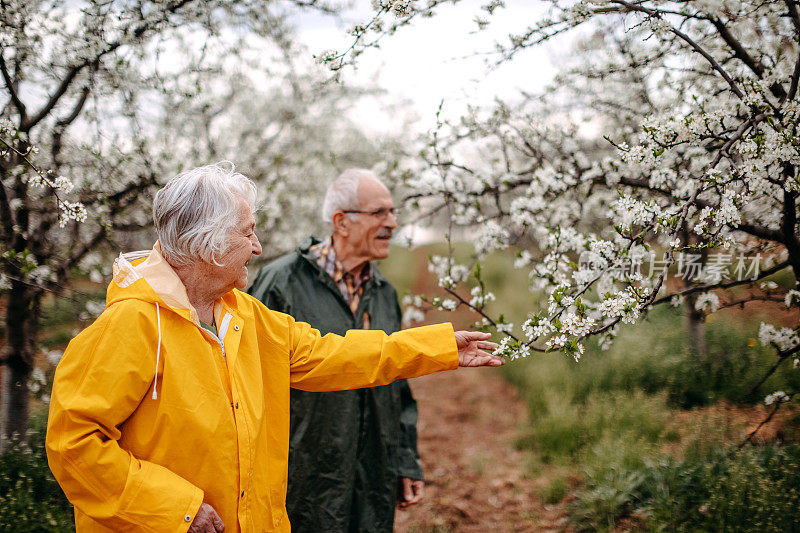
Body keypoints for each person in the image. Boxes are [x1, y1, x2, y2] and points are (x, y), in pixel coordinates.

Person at [45, 162, 503, 533]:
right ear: (209, 244)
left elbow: (333, 354)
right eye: (247, 233)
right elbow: (73, 444)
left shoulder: (243, 314)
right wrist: (175, 510)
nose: (259, 247)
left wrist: (439, 347)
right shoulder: (130, 325)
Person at [248, 169, 421, 532]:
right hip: (303, 475)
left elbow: (397, 384)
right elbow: (248, 381)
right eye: (379, 213)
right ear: (341, 222)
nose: (392, 222)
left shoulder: (385, 292)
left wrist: (405, 460)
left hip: (373, 470)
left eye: (392, 212)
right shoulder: (281, 283)